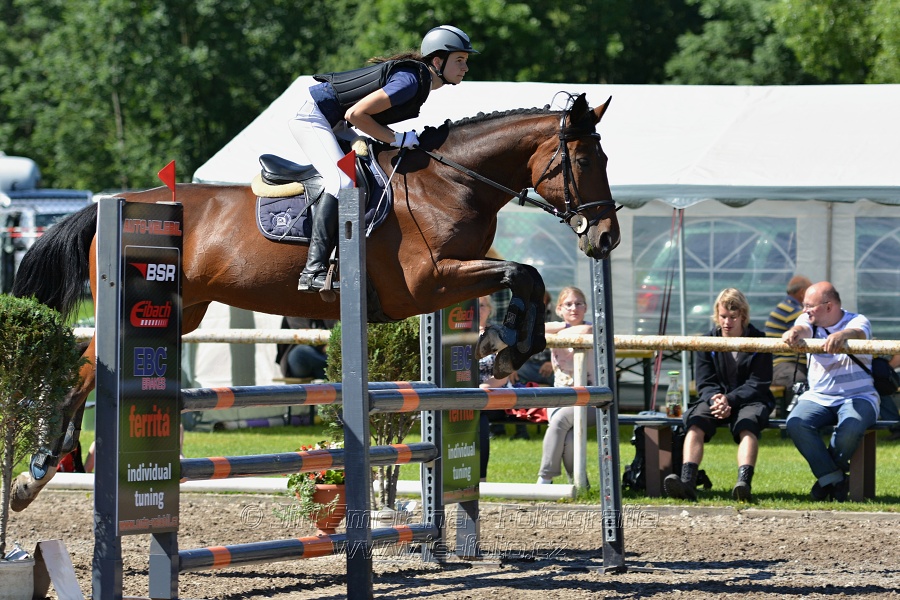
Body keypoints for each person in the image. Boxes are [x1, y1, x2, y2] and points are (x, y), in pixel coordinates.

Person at [291, 25, 477, 292]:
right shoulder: (411, 82)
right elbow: (356, 115)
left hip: (335, 120)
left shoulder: (419, 81)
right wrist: (395, 138)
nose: (465, 68)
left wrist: (394, 139)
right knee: (341, 182)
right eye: (460, 60)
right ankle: (312, 271)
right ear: (438, 61)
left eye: (466, 61)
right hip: (313, 116)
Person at [664, 288, 774, 502]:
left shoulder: (761, 340)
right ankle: (687, 482)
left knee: (747, 425)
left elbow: (758, 383)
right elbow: (704, 382)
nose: (727, 322)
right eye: (723, 316)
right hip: (714, 399)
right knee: (695, 422)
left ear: (743, 316)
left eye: (733, 317)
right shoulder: (706, 341)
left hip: (751, 400)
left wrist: (730, 400)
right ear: (716, 315)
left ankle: (743, 484)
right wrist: (716, 399)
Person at [782, 281, 879, 502]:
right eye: (804, 305)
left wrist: (843, 335)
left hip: (859, 395)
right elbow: (801, 327)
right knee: (796, 423)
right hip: (818, 396)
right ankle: (835, 480)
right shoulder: (807, 320)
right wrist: (793, 332)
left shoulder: (858, 320)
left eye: (810, 306)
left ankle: (827, 479)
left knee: (850, 427)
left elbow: (859, 332)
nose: (804, 310)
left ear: (829, 306)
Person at [537, 286, 596, 484]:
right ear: (559, 309)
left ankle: (545, 479)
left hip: (591, 398)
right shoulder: (558, 329)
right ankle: (579, 483)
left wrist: (558, 331)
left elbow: (586, 331)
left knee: (561, 421)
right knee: (569, 437)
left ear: (586, 308)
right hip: (561, 397)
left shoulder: (591, 328)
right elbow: (535, 328)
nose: (574, 308)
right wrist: (562, 328)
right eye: (568, 304)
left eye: (579, 304)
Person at [764, 275, 812, 411]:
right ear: (803, 293)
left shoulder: (787, 307)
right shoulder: (794, 312)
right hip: (782, 365)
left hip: (789, 364)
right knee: (798, 381)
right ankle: (796, 420)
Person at [478, 295, 510, 481]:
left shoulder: (497, 334)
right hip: (468, 395)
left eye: (482, 305)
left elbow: (504, 371)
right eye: (474, 306)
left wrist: (486, 385)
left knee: (479, 414)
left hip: (495, 391)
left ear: (490, 309)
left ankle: (481, 478)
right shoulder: (459, 333)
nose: (479, 309)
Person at [275, 316, 336, 381]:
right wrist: (324, 347)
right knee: (301, 353)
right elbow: (302, 333)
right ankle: (333, 370)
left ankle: (332, 370)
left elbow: (339, 330)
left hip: (325, 358)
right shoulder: (294, 309)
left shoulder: (332, 309)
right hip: (304, 359)